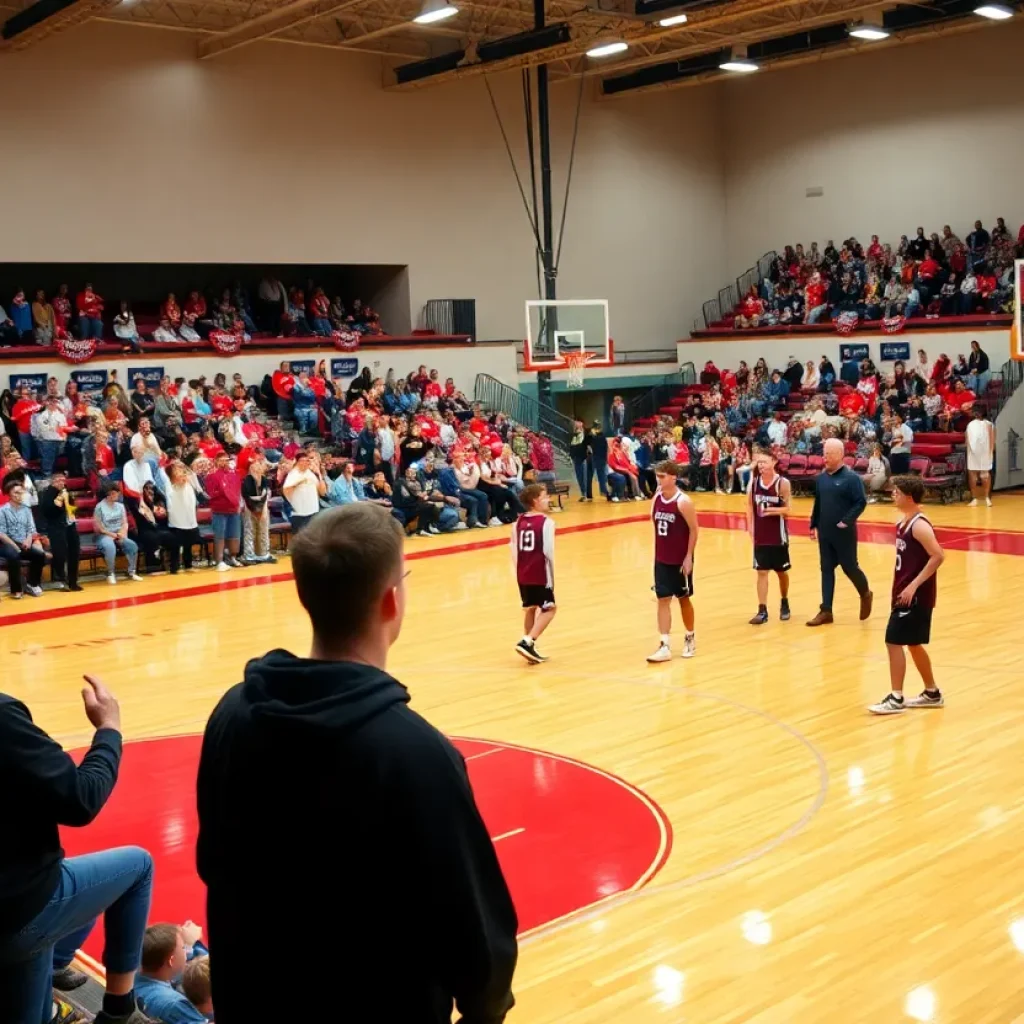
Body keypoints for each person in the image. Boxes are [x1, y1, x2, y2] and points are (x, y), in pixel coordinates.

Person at [196, 504, 518, 1023]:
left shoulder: (233, 712)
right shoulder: (416, 754)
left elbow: (213, 862)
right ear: (392, 600)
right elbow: (477, 945)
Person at [0, 675, 154, 1024]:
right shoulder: (3, 716)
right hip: (18, 910)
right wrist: (109, 729)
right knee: (137, 867)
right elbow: (81, 799)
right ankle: (119, 1010)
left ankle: (52, 973)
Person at [868, 476, 945, 715]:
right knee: (913, 643)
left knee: (893, 641)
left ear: (909, 497)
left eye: (897, 492)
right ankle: (932, 693)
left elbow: (938, 556)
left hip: (915, 595)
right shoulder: (904, 521)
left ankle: (896, 697)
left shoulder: (920, 525)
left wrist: (913, 586)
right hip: (903, 591)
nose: (893, 495)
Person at [807, 438, 872, 626]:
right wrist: (813, 524)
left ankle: (865, 593)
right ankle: (826, 610)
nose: (824, 457)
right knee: (826, 569)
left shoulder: (851, 478)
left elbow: (861, 502)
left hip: (844, 533)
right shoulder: (822, 478)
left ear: (840, 455)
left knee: (849, 567)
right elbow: (818, 503)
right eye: (824, 453)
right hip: (825, 532)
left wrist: (847, 520)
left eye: (829, 454)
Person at [646, 461, 698, 662]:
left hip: (680, 560)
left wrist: (688, 557)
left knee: (683, 599)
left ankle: (689, 636)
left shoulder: (683, 501)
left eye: (662, 476)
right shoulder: (657, 498)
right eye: (657, 476)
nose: (658, 480)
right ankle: (664, 644)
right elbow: (653, 521)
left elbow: (694, 529)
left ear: (673, 477)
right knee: (663, 600)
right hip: (661, 558)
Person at [512, 484, 557, 664]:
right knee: (550, 608)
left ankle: (529, 646)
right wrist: (551, 578)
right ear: (535, 501)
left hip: (523, 572)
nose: (548, 500)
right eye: (545, 496)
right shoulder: (546, 522)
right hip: (540, 572)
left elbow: (514, 549)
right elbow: (548, 552)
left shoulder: (518, 522)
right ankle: (527, 641)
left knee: (530, 608)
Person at [746, 450, 792, 625]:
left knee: (781, 572)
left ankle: (784, 601)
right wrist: (750, 528)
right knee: (762, 572)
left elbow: (787, 509)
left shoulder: (781, 484)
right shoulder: (754, 484)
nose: (761, 465)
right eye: (759, 463)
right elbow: (749, 507)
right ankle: (762, 609)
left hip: (777, 536)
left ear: (773, 462)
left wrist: (771, 510)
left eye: (764, 462)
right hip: (761, 536)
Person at [134, 924, 208, 1024]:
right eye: (183, 947)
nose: (186, 950)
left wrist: (189, 945)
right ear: (171, 961)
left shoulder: (132, 976)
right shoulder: (176, 1004)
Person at [0, 478, 48, 598]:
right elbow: (1, 533)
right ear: (9, 494)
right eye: (16, 492)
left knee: (39, 555)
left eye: (21, 492)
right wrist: (16, 546)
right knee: (13, 555)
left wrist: (28, 539)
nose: (19, 495)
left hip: (23, 543)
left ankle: (32, 584)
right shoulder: (3, 510)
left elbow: (31, 529)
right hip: (7, 543)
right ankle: (16, 589)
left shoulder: (26, 509)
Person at [37, 470, 82, 591]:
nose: (62, 482)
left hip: (70, 525)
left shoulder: (66, 492)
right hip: (56, 528)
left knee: (75, 552)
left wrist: (72, 512)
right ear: (53, 481)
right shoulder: (48, 493)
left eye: (63, 480)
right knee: (60, 554)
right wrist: (59, 503)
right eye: (59, 480)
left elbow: (72, 507)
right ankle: (62, 579)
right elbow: (48, 510)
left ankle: (73, 580)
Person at [94, 484, 142, 585]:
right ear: (108, 495)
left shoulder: (120, 506)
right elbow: (99, 528)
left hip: (118, 533)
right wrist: (112, 535)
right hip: (105, 534)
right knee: (110, 546)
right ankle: (110, 573)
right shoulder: (99, 507)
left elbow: (124, 522)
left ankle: (131, 572)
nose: (117, 495)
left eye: (117, 493)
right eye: (115, 493)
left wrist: (121, 533)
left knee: (132, 545)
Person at [204, 451, 243, 571]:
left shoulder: (234, 475)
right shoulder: (211, 476)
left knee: (234, 534)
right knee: (220, 535)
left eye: (226, 460)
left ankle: (232, 557)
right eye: (221, 460)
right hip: (219, 510)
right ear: (216, 462)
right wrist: (223, 491)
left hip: (233, 509)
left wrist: (238, 504)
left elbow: (237, 491)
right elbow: (211, 493)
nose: (224, 462)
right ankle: (219, 561)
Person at [241, 456, 275, 564]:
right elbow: (246, 495)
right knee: (250, 530)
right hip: (249, 507)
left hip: (263, 506)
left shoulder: (264, 480)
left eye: (258, 466)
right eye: (253, 466)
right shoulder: (246, 480)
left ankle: (263, 554)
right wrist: (255, 506)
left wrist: (261, 504)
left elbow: (266, 493)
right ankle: (250, 554)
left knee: (263, 529)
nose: (256, 468)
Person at [282, 450, 326, 533]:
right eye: (302, 461)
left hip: (313, 511)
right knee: (300, 539)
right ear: (297, 462)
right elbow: (286, 490)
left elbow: (322, 492)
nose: (305, 463)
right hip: (299, 513)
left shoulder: (311, 474)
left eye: (307, 461)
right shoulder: (292, 474)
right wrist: (299, 482)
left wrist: (319, 474)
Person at [961, 402, 995, 508]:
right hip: (983, 453)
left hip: (977, 452)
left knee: (976, 475)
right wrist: (990, 452)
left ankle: (978, 498)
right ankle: (984, 498)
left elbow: (967, 441)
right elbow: (993, 441)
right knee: (982, 475)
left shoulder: (973, 425)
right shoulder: (988, 425)